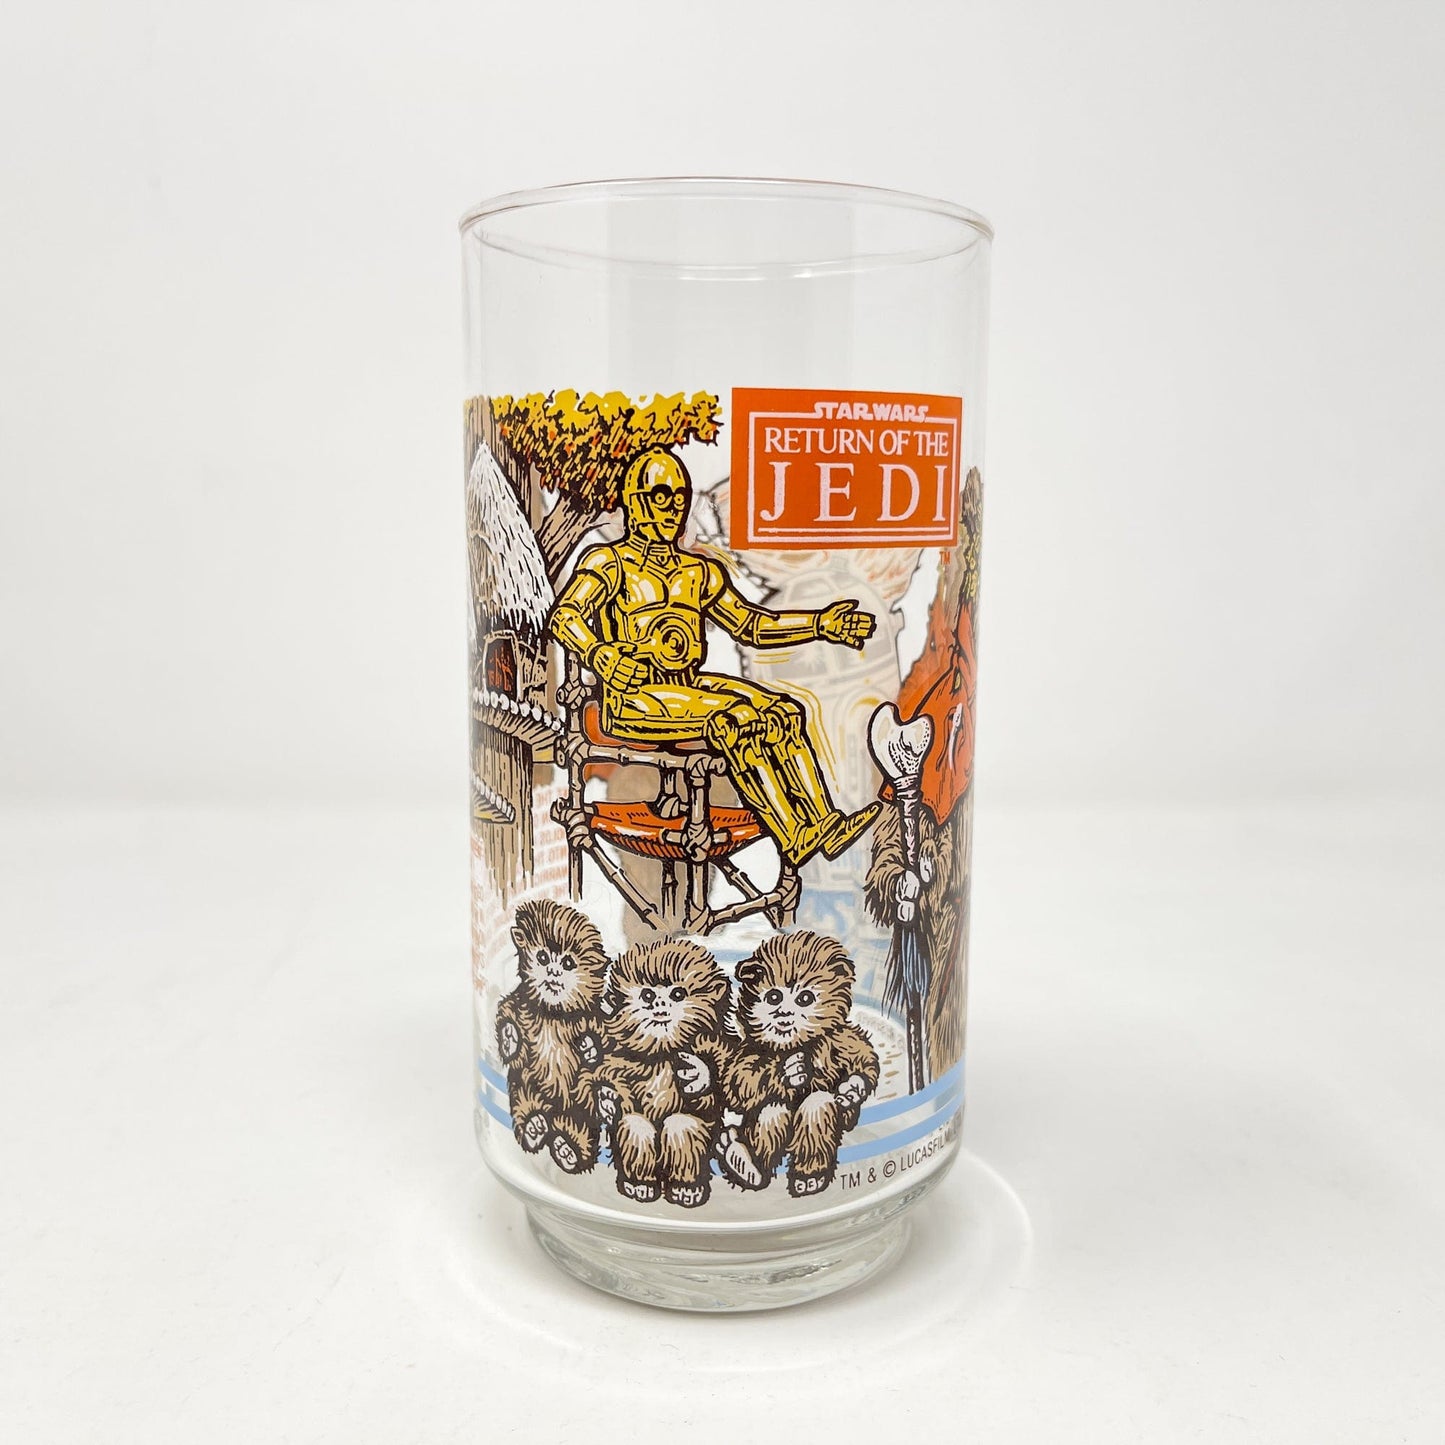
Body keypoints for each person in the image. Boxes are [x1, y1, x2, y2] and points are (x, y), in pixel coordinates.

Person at [549, 447, 880, 866]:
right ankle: (793, 834)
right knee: (734, 719)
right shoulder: (610, 563)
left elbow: (752, 625)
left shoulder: (698, 573)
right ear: (636, 501)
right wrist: (602, 655)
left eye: (680, 497)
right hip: (634, 697)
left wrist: (820, 624)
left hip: (687, 686)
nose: (673, 507)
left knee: (783, 712)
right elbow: (565, 616)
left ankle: (824, 825)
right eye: (661, 496)